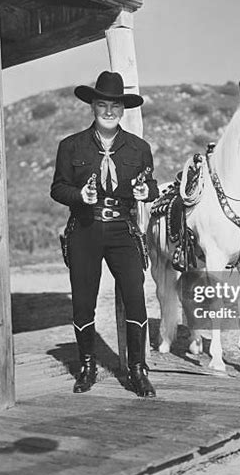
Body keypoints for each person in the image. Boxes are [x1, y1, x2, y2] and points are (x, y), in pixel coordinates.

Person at [51, 71, 159, 397]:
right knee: (83, 302)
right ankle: (87, 366)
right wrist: (78, 197)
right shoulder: (71, 146)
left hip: (123, 231)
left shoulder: (139, 148)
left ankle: (137, 370)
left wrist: (144, 191)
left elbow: (150, 185)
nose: (109, 111)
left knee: (136, 298)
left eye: (115, 105)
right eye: (102, 104)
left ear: (123, 109)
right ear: (93, 106)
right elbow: (58, 187)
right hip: (84, 229)